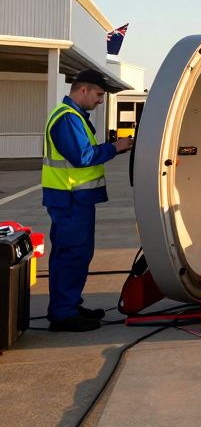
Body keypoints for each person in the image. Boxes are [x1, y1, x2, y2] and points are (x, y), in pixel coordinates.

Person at [42, 69, 133, 332]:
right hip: (69, 199)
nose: (101, 100)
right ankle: (63, 315)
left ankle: (70, 305)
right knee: (71, 256)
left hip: (75, 198)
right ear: (83, 90)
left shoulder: (75, 117)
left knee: (77, 255)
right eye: (99, 94)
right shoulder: (67, 119)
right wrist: (115, 147)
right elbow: (82, 156)